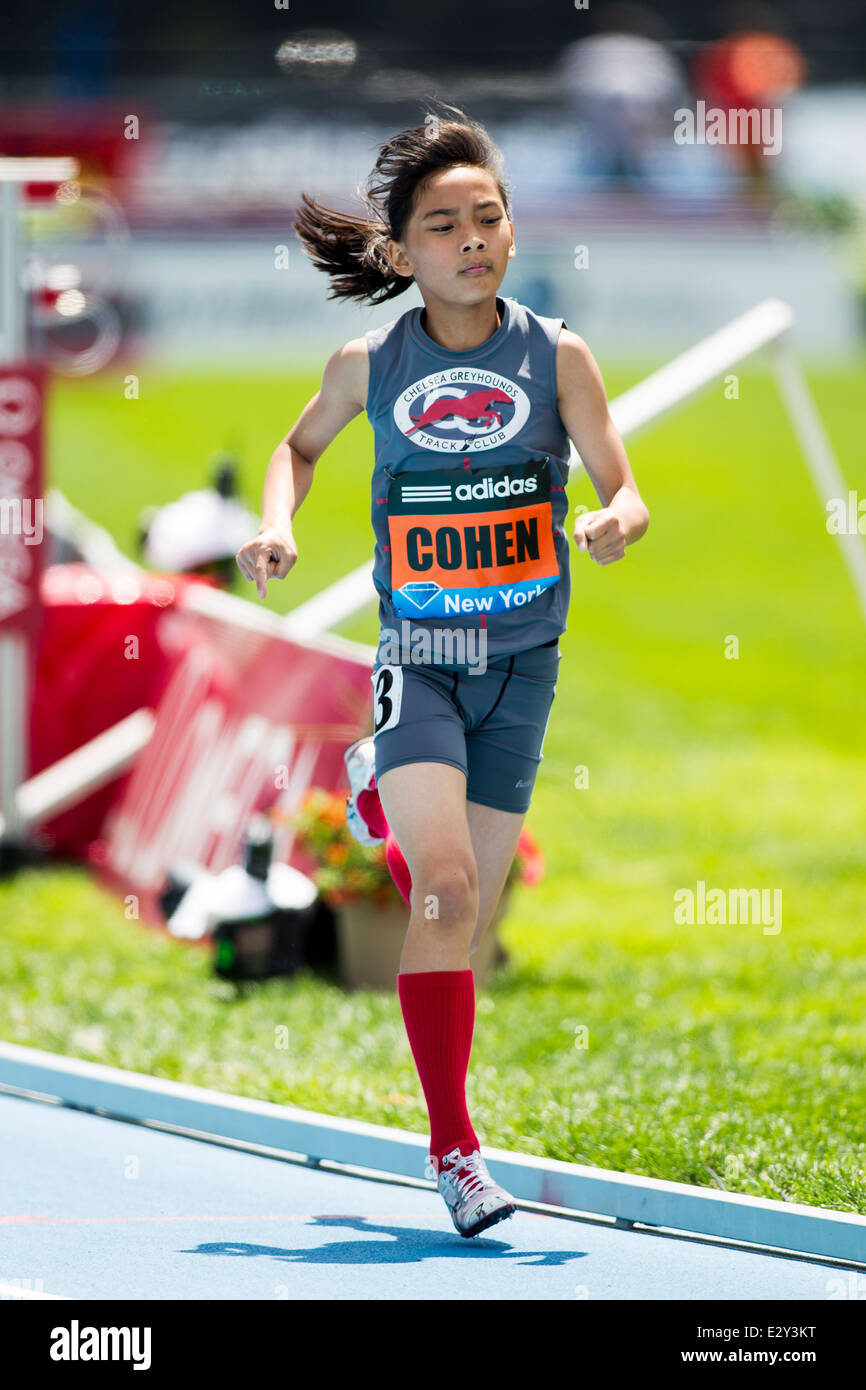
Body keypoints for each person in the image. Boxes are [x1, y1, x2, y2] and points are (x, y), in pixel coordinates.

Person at [235, 104, 649, 1238]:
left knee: (471, 906)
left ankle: (380, 788)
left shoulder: (557, 355)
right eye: (443, 225)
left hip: (523, 667)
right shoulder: (368, 362)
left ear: (509, 231)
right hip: (420, 658)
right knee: (445, 893)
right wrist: (276, 524)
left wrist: (617, 516)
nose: (472, 238)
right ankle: (454, 1149)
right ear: (402, 251)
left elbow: (624, 483)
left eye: (489, 217)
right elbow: (297, 448)